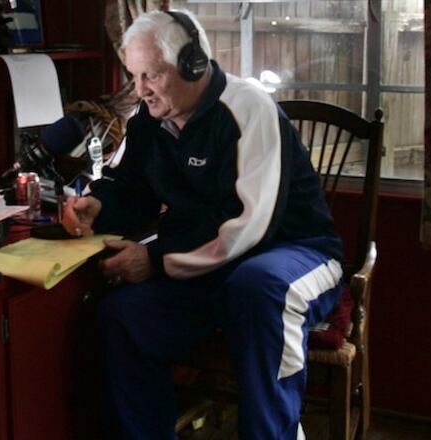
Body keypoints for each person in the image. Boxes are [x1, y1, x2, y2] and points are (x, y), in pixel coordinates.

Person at [61, 9, 344, 440]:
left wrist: (155, 260)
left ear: (193, 64)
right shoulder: (148, 120)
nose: (140, 91)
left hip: (295, 252)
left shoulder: (249, 107)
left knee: (258, 287)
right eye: (134, 76)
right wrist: (98, 206)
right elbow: (130, 185)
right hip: (210, 262)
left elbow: (249, 225)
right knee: (122, 317)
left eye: (151, 75)